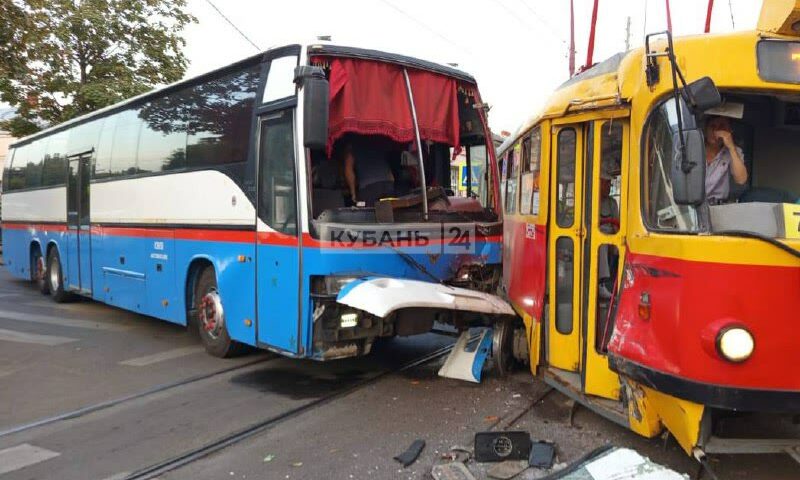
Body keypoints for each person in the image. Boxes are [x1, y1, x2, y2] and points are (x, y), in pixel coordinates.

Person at [342, 135, 396, 207]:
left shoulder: (352, 145)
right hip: (387, 184)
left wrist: (353, 193)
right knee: (389, 214)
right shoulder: (379, 140)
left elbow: (348, 169)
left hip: (369, 188)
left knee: (370, 215)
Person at [704, 115, 748, 203]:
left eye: (721, 127)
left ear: (729, 131)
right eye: (712, 126)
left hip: (717, 205)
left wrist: (731, 147)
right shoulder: (693, 147)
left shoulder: (734, 151)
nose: (716, 131)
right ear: (706, 129)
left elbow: (741, 180)